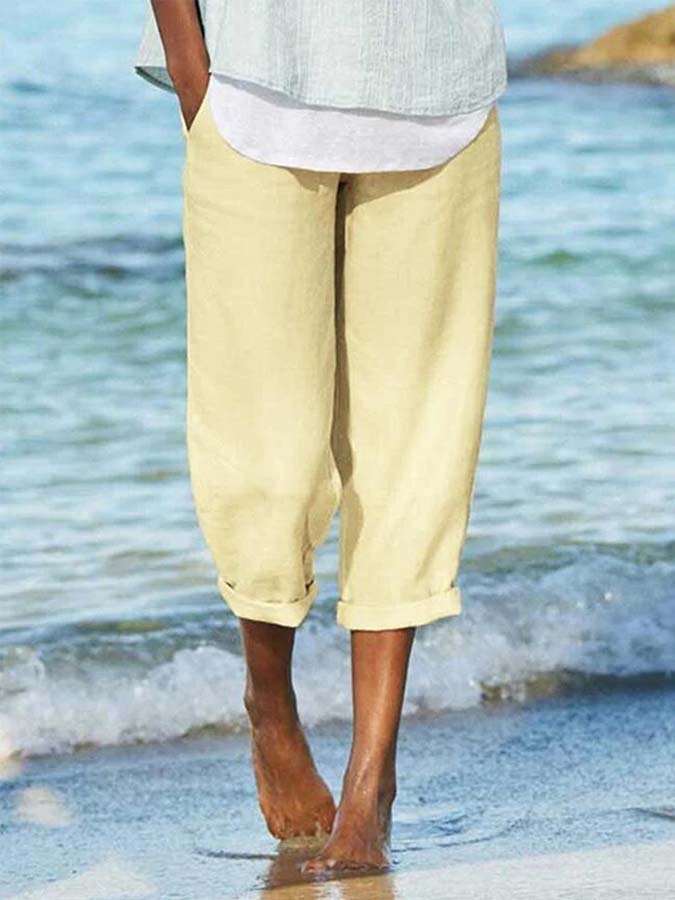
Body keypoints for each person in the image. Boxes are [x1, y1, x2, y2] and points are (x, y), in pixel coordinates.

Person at [134, 0, 507, 874]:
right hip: (251, 89)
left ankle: (371, 784)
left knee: (415, 457)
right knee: (267, 463)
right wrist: (192, 75)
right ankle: (269, 705)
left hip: (440, 97)